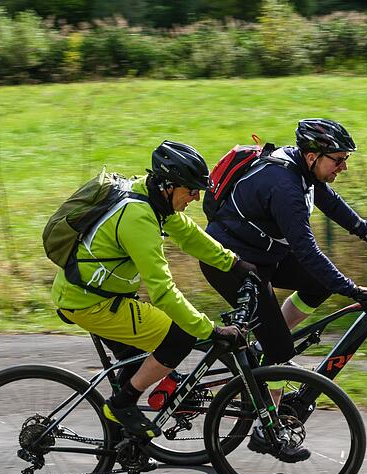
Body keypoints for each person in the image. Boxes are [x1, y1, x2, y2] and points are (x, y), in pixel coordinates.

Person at [200, 119, 367, 462]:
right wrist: (352, 290)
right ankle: (268, 429)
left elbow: (330, 202)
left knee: (316, 284)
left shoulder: (301, 170)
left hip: (261, 253)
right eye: (338, 159)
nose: (344, 167)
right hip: (232, 264)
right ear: (312, 156)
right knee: (279, 350)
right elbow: (307, 251)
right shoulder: (285, 186)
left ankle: (266, 343)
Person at [52, 141, 257, 441]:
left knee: (137, 364)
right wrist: (209, 330)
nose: (196, 197)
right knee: (179, 337)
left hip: (94, 294)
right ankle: (122, 406)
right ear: (168, 186)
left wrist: (235, 264)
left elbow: (189, 236)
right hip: (92, 302)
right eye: (190, 190)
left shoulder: (150, 198)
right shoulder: (138, 219)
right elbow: (162, 290)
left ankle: (122, 441)